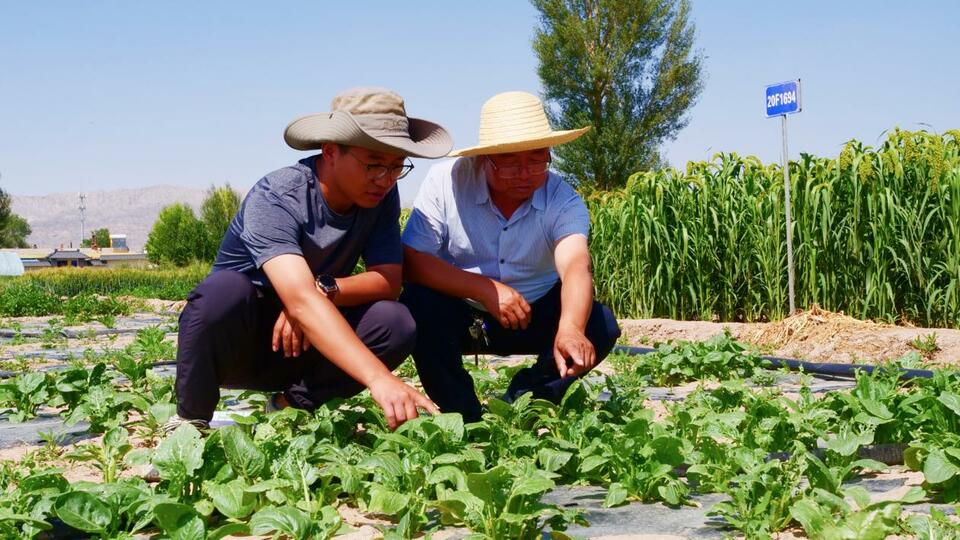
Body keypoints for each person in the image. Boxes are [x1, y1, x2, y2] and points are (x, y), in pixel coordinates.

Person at [168, 87, 451, 432]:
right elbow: (298, 298)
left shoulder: (380, 196)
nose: (386, 179)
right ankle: (189, 424)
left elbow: (388, 281)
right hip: (241, 345)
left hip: (309, 343)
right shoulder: (278, 195)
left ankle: (290, 407)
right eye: (374, 165)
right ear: (331, 151)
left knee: (395, 321)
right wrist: (379, 379)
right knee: (222, 291)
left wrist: (324, 289)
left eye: (396, 167)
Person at [400, 91, 621, 422]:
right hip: (464, 311)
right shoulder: (447, 183)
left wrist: (571, 326)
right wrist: (485, 289)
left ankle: (528, 401)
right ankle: (462, 414)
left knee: (599, 324)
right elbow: (413, 259)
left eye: (536, 159)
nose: (525, 173)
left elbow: (576, 263)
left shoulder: (562, 197)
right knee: (418, 305)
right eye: (510, 161)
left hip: (535, 311)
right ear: (485, 158)